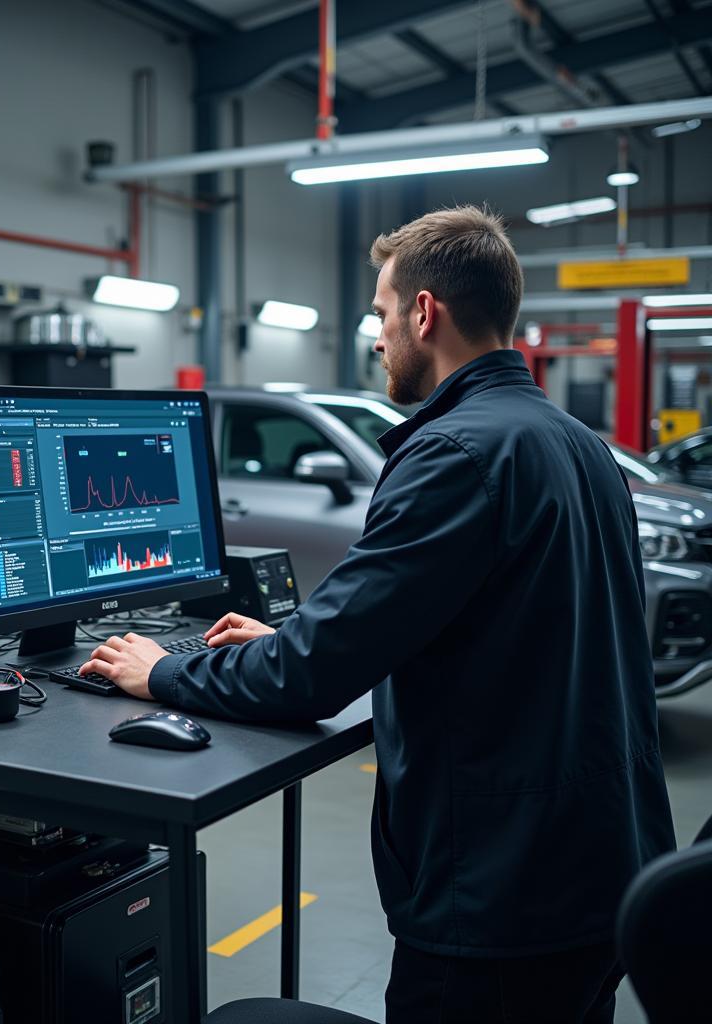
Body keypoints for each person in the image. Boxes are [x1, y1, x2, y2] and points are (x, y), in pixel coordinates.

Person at [80, 206, 676, 1022]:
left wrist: (166, 670)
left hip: (500, 900)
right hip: (600, 871)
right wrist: (293, 637)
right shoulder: (577, 444)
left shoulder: (454, 452)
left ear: (424, 313)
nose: (377, 335)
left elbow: (313, 677)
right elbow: (485, 631)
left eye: (382, 312)